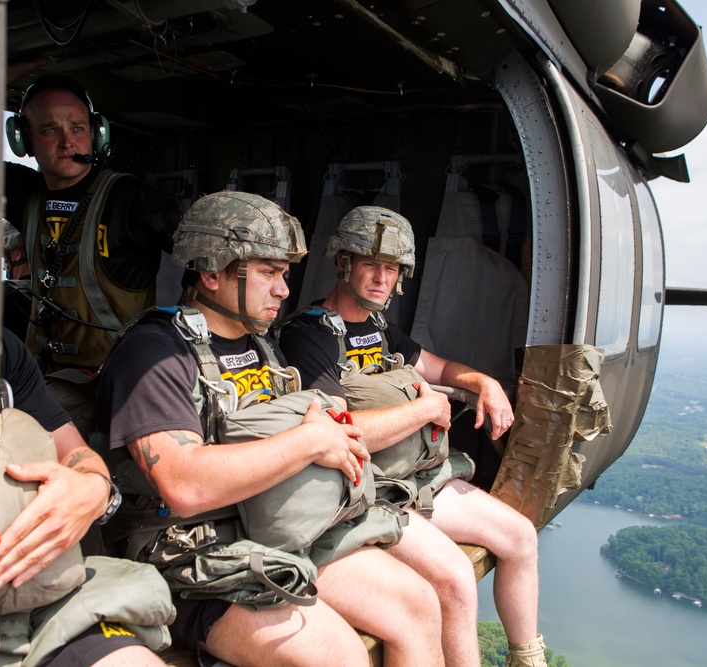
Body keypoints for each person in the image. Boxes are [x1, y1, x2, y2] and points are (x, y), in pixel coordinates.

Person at [95, 191, 445, 667]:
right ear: (212, 271)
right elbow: (183, 483)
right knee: (339, 656)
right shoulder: (156, 353)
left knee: (419, 605)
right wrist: (307, 442)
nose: (284, 289)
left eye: (283, 274)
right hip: (190, 554)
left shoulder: (262, 345)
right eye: (268, 272)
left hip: (272, 526)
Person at [276, 206, 547, 667]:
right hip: (373, 489)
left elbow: (438, 367)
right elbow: (339, 432)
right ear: (343, 264)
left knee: (520, 538)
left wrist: (483, 383)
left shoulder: (379, 328)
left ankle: (528, 659)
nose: (382, 278)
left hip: (418, 478)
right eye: (370, 264)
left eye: (391, 268)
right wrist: (424, 408)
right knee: (457, 581)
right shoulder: (309, 337)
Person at [0, 328, 169, 666]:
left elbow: (77, 454)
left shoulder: (0, 351)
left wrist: (94, 489)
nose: (282, 291)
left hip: (29, 600)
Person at [4, 74, 181, 372]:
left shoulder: (131, 199)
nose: (67, 142)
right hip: (40, 375)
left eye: (77, 128)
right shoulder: (26, 194)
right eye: (49, 129)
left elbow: (208, 262)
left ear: (97, 135)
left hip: (113, 380)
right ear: (23, 139)